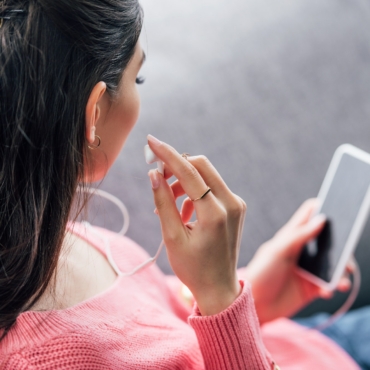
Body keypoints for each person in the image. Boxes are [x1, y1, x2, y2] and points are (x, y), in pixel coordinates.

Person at [0, 0, 365, 369]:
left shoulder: (39, 238)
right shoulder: (36, 360)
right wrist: (220, 298)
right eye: (136, 78)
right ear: (93, 114)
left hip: (305, 341)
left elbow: (165, 325)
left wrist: (248, 288)